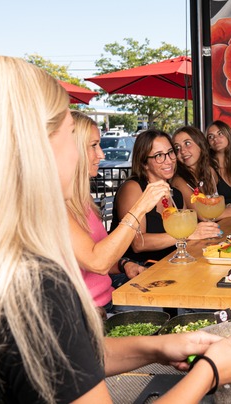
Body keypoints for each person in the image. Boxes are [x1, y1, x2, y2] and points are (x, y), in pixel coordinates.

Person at [0, 56, 231, 403]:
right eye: (69, 133)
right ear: (34, 148)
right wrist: (209, 372)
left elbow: (62, 358)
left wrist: (160, 346)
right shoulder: (35, 285)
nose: (86, 155)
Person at [66, 111, 170, 314]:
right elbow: (98, 262)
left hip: (110, 296)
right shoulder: (56, 204)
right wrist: (140, 207)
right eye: (94, 145)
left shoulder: (84, 201)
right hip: (90, 312)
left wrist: (124, 265)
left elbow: (104, 255)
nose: (102, 155)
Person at [112, 129, 221, 264]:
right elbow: (138, 243)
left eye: (170, 153)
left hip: (170, 266)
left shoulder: (176, 194)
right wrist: (187, 234)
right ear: (144, 163)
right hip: (138, 271)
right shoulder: (133, 188)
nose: (169, 161)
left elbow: (187, 238)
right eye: (159, 155)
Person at [172, 125, 231, 220]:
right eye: (177, 148)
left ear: (200, 144)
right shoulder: (179, 181)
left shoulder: (209, 171)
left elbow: (214, 208)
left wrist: (229, 206)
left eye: (187, 143)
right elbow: (204, 216)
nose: (182, 151)